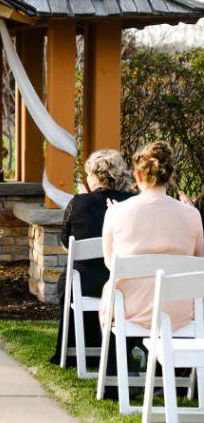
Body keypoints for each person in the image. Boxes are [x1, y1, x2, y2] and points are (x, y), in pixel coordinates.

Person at [101, 141, 204, 330]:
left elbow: (110, 264)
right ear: (170, 175)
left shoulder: (116, 212)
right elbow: (199, 261)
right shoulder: (192, 214)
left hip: (129, 310)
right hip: (180, 313)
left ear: (138, 174)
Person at [49, 149, 134, 365]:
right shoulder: (132, 203)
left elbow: (66, 244)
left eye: (88, 174)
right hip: (121, 283)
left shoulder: (79, 202)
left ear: (95, 177)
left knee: (67, 279)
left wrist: (84, 199)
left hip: (84, 284)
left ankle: (73, 348)